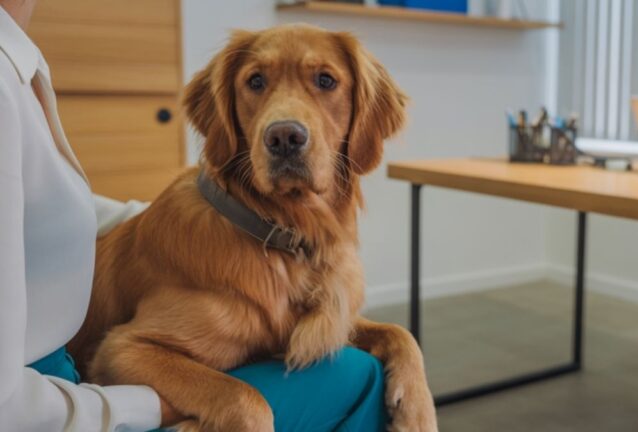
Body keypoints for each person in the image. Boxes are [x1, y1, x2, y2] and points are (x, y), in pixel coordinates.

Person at [0, 1, 387, 430]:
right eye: (256, 82)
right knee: (363, 376)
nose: (286, 124)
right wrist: (209, 406)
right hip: (64, 403)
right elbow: (111, 360)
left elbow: (40, 205)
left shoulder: (19, 55)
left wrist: (395, 343)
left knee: (385, 353)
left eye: (325, 81)